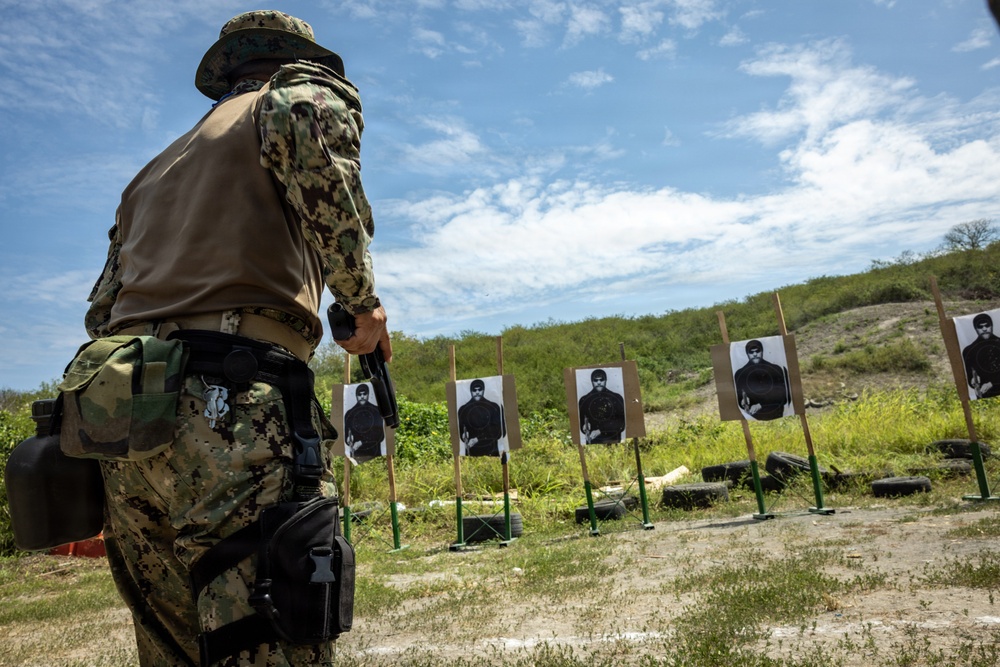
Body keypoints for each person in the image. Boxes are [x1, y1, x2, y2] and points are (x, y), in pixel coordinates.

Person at [82, 10, 390, 666]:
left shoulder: (155, 170)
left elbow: (101, 310)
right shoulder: (299, 98)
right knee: (266, 636)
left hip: (122, 416)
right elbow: (324, 185)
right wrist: (365, 307)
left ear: (226, 75)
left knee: (173, 646)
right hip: (235, 399)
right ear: (293, 62)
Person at [733, 340, 790, 421]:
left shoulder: (775, 369)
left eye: (757, 351)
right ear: (747, 354)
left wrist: (761, 405)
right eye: (751, 352)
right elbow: (739, 399)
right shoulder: (740, 374)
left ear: (762, 351)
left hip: (776, 415)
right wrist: (742, 402)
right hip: (753, 418)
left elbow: (783, 397)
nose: (755, 354)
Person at [457, 379, 507, 456]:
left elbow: (500, 432)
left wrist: (478, 439)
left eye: (480, 389)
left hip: (491, 452)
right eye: (474, 390)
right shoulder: (463, 410)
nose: (477, 392)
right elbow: (461, 433)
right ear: (471, 391)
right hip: (472, 454)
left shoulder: (494, 407)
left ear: (483, 390)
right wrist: (463, 434)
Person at [577, 369, 625, 444]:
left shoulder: (616, 398)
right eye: (595, 380)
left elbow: (621, 424)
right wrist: (585, 427)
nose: (599, 382)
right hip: (593, 444)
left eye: (601, 380)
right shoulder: (584, 400)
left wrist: (600, 431)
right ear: (592, 381)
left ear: (606, 380)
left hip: (613, 441)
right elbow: (582, 425)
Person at [962, 313, 1000, 399]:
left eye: (987, 325)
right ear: (976, 328)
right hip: (985, 397)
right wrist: (973, 380)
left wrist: (992, 383)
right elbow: (969, 377)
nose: (984, 329)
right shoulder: (969, 351)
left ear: (991, 326)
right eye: (980, 327)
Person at [344, 383, 386, 460]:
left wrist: (362, 442)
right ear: (356, 395)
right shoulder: (349, 414)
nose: (362, 397)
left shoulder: (376, 411)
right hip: (356, 454)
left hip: (375, 454)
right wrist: (349, 439)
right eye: (359, 394)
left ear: (368, 394)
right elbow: (347, 436)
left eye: (364, 394)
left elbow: (380, 435)